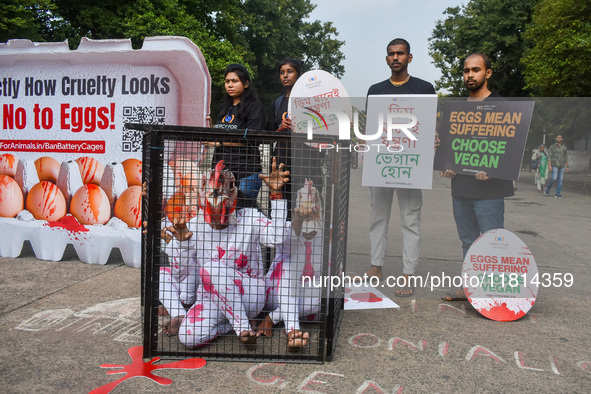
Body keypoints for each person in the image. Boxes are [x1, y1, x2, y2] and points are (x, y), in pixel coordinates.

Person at [163, 157, 289, 347]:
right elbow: (180, 275)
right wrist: (182, 243)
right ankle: (230, 325)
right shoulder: (193, 225)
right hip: (211, 297)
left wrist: (276, 195)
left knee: (211, 268)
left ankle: (242, 328)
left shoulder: (249, 218)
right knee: (189, 338)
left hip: (250, 293)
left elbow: (277, 238)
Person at [364, 38, 436, 297]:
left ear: (409, 57)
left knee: (411, 221)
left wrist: (433, 139)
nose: (396, 57)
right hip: (382, 165)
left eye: (401, 53)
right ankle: (376, 265)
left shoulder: (424, 89)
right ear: (386, 59)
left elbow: (427, 128)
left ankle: (408, 274)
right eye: (391, 54)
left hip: (411, 167)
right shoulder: (376, 90)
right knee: (378, 219)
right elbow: (372, 128)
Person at [440, 53, 514, 301]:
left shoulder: (504, 107)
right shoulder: (456, 110)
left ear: (488, 73)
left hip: (489, 191)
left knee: (493, 243)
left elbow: (510, 148)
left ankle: (495, 292)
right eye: (466, 70)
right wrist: (447, 166)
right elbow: (448, 148)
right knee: (467, 241)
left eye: (476, 70)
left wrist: (496, 170)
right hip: (461, 187)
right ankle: (469, 287)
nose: (470, 75)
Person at [210, 63, 266, 203]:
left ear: (246, 83)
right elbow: (219, 134)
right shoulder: (224, 107)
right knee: (221, 213)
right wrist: (209, 128)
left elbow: (253, 138)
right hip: (221, 171)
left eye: (234, 81)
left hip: (246, 171)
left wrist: (220, 142)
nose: (230, 85)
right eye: (227, 81)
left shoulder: (255, 107)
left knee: (244, 213)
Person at [544, 134, 569, 198]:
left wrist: (567, 166)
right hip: (555, 164)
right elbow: (549, 156)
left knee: (560, 179)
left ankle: (557, 193)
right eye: (558, 137)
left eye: (560, 137)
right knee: (554, 178)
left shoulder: (564, 147)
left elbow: (566, 157)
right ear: (556, 139)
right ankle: (548, 188)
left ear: (562, 139)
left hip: (562, 165)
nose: (559, 139)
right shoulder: (552, 146)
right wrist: (549, 165)